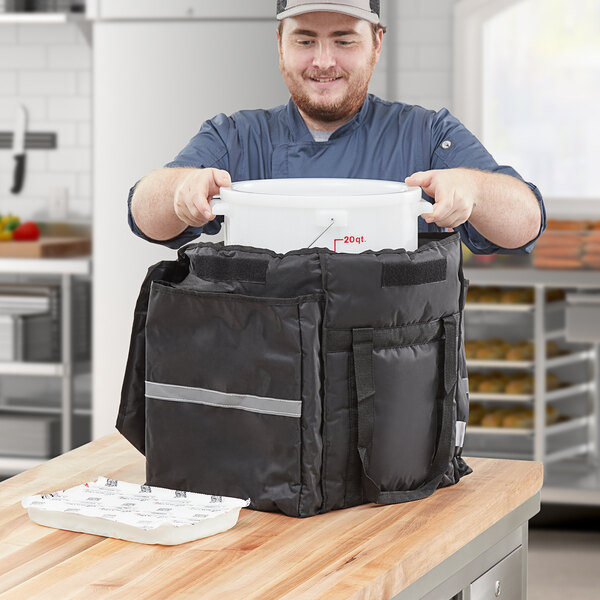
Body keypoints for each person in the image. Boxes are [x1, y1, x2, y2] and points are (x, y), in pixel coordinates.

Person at [128, 0, 545, 253]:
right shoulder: (236, 138)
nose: (324, 61)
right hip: (272, 390)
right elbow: (143, 213)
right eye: (305, 41)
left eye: (344, 41)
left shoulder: (428, 134)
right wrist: (178, 190)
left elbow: (525, 222)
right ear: (280, 44)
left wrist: (473, 189)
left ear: (376, 43)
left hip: (395, 391)